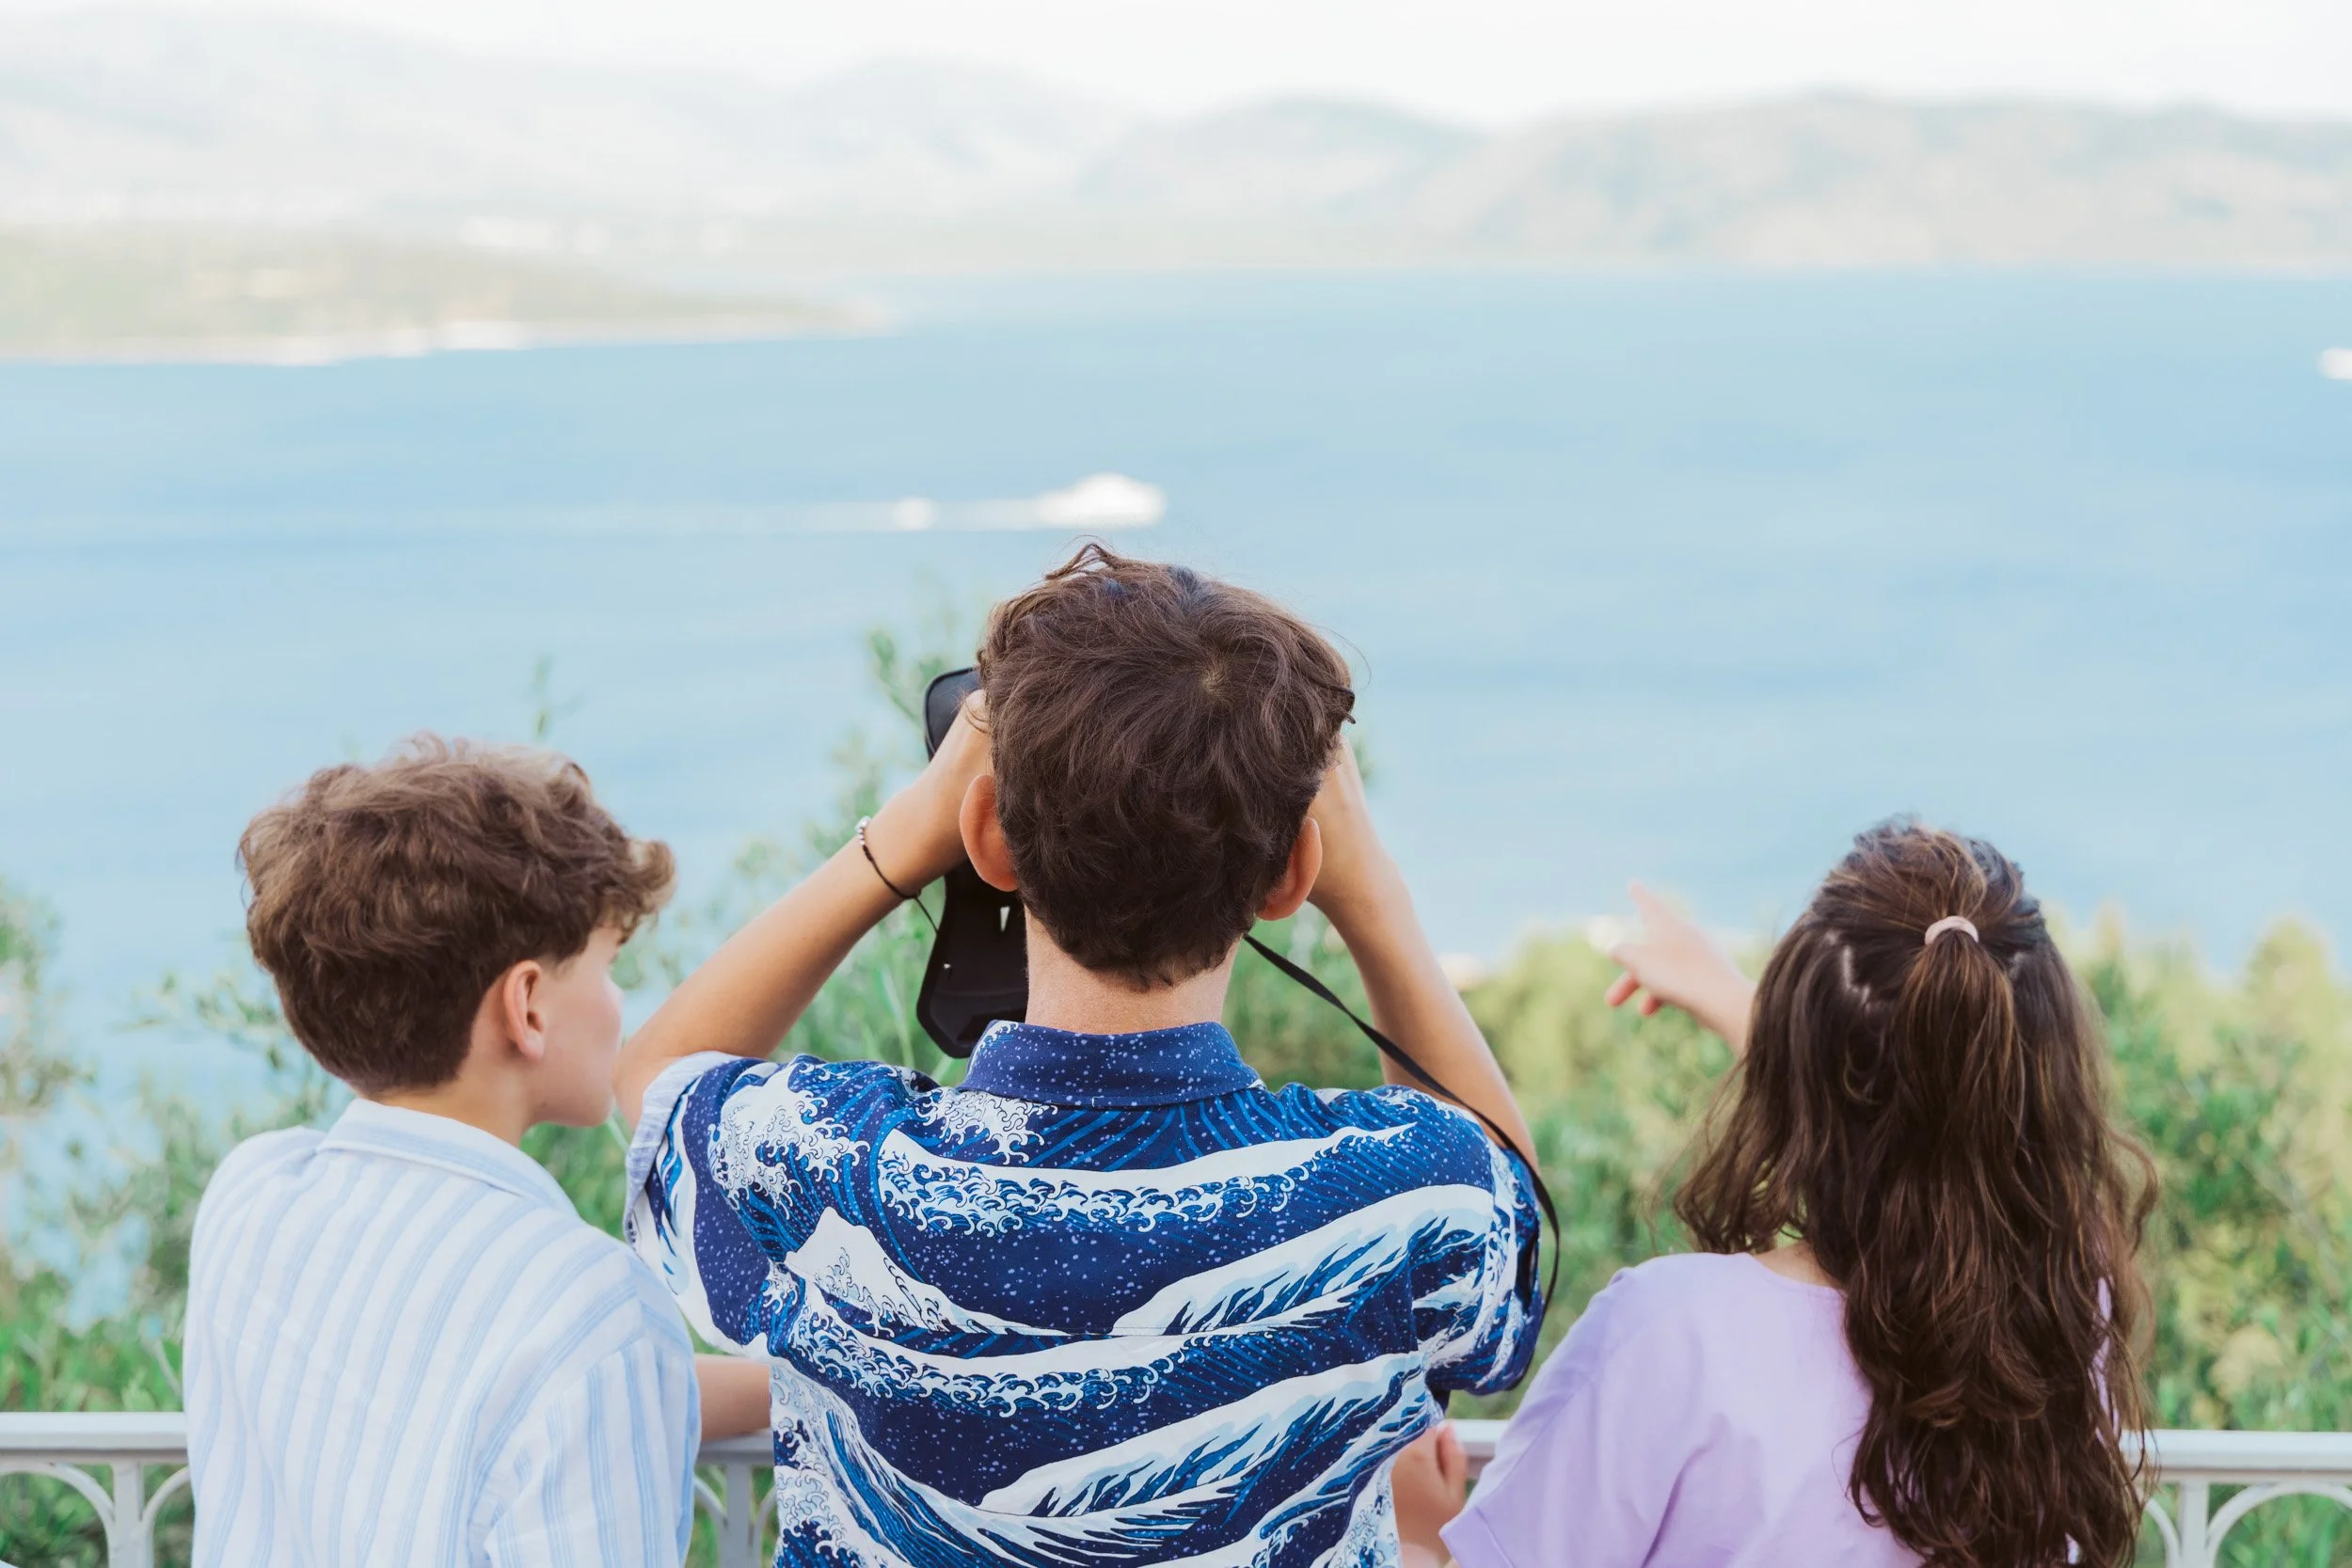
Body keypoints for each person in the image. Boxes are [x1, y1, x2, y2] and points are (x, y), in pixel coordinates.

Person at [616, 545, 1546, 1568]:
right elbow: (1504, 1213)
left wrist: (901, 838)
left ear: (988, 838)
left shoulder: (828, 1161)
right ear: (1291, 873)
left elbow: (654, 1081)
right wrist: (1370, 893)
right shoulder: (1403, 1192)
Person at [1436, 821, 2155, 1568]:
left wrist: (1429, 1524)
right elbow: (1937, 1127)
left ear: (1791, 1075)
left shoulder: (1670, 1336)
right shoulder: (2061, 1317)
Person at [183, 737, 771, 1568]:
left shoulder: (251, 1199)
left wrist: (801, 1386)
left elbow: (455, 1394)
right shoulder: (593, 1307)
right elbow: (569, 1375)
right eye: (606, 968)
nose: (617, 1003)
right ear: (527, 1005)